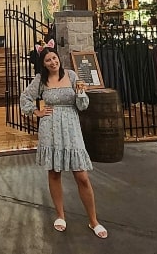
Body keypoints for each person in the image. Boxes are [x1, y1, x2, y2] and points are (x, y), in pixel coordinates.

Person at [20, 47, 108, 239]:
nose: (53, 62)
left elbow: (82, 106)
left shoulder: (72, 75)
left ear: (58, 58)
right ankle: (60, 215)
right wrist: (36, 112)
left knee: (82, 176)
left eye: (54, 58)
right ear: (43, 64)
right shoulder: (40, 80)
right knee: (54, 173)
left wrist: (82, 93)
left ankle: (93, 220)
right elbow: (25, 98)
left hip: (71, 127)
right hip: (50, 129)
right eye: (48, 60)